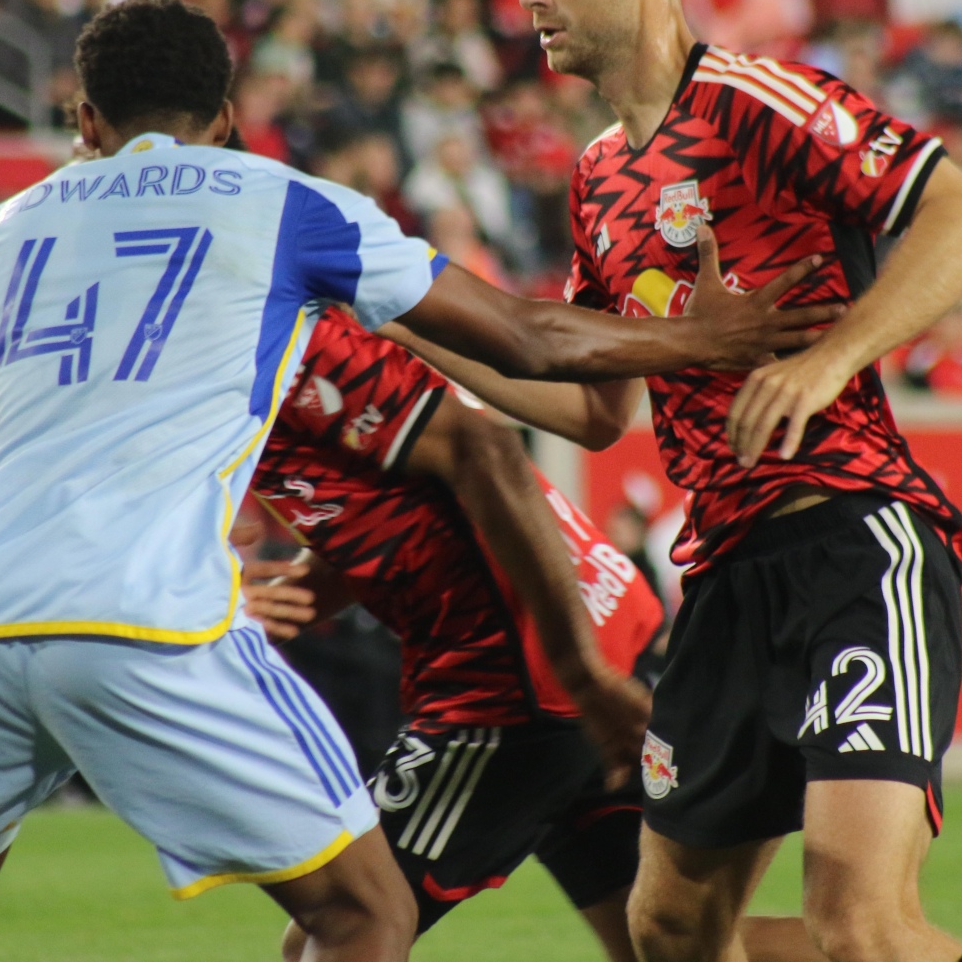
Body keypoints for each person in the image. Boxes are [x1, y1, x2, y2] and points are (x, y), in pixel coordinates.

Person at [0, 0, 830, 962]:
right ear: (227, 121)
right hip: (153, 609)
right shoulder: (271, 221)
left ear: (83, 120)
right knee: (384, 919)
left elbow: (13, 447)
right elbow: (521, 349)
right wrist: (694, 339)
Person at [396, 0, 962, 962]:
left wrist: (823, 363)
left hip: (853, 543)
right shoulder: (597, 175)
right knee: (671, 930)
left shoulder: (757, 102)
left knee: (860, 927)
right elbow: (596, 409)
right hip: (724, 582)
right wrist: (408, 326)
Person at [241, 307, 664, 956]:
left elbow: (485, 447)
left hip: (517, 679)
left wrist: (578, 669)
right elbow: (393, 508)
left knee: (337, 931)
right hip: (593, 635)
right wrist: (283, 600)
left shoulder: (274, 346)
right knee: (672, 943)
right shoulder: (286, 353)